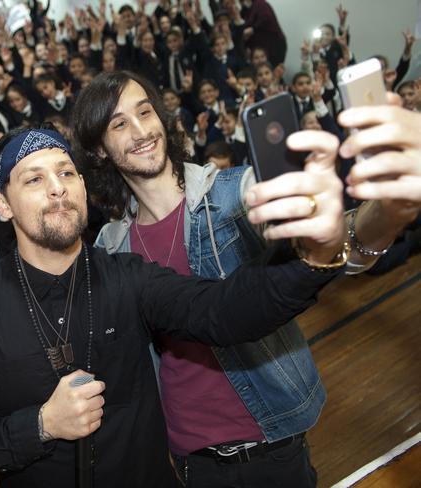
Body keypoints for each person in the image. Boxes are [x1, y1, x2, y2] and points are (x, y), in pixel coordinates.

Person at [0, 126, 348, 487]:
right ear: (2, 204)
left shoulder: (129, 277)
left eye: (67, 172)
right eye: (34, 180)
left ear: (83, 186)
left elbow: (221, 310)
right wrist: (39, 426)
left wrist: (315, 255)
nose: (57, 188)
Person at [70, 70, 420, 487]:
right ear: (99, 150)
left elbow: (336, 243)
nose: (142, 130)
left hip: (270, 445)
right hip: (188, 458)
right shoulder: (111, 247)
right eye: (119, 124)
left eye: (145, 112)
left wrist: (391, 208)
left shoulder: (235, 194)